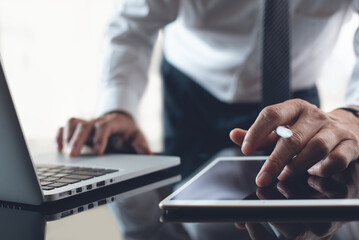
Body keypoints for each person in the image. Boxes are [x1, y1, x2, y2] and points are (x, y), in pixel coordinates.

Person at [56, 0, 359, 191]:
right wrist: (118, 108)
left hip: (297, 101)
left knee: (303, 195)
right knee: (181, 198)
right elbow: (135, 24)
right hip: (192, 98)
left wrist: (353, 114)